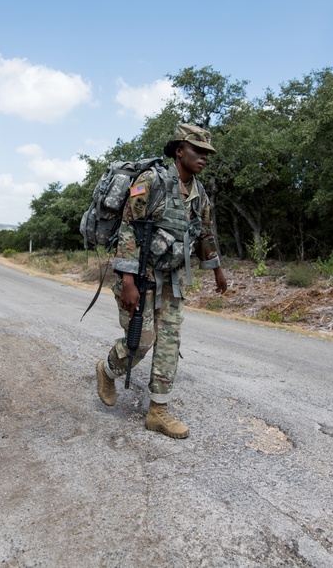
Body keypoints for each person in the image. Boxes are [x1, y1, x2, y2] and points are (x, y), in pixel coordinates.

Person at [95, 123, 228, 439]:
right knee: (141, 340)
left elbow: (205, 232)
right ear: (180, 150)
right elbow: (128, 228)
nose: (204, 158)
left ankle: (158, 412)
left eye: (207, 153)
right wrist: (127, 280)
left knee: (169, 340)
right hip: (140, 274)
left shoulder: (198, 193)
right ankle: (108, 369)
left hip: (173, 277)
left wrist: (217, 270)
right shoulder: (152, 181)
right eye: (198, 151)